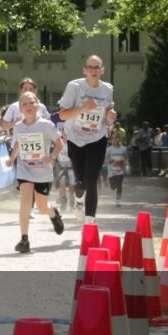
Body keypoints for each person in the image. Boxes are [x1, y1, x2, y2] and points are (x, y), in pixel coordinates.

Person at [58, 55, 117, 224]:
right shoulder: (74, 86)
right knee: (80, 183)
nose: (93, 70)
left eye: (97, 67)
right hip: (76, 139)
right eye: (90, 67)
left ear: (102, 70)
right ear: (84, 70)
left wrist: (110, 115)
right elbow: (62, 114)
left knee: (91, 179)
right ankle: (78, 200)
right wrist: (83, 107)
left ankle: (89, 223)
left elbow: (108, 114)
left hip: (97, 138)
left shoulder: (108, 89)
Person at [7, 91, 65, 253]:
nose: (28, 106)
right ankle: (24, 239)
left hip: (42, 172)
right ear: (20, 108)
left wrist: (52, 157)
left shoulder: (46, 125)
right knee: (25, 203)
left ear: (37, 105)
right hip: (24, 170)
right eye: (24, 104)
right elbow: (18, 143)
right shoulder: (18, 126)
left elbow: (59, 144)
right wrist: (12, 158)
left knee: (41, 207)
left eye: (31, 103)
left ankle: (53, 213)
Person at [105, 133, 128, 205]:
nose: (114, 140)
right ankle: (113, 187)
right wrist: (109, 161)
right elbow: (106, 159)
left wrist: (126, 164)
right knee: (113, 187)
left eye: (115, 138)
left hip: (120, 170)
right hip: (111, 171)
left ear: (118, 139)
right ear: (111, 140)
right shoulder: (108, 149)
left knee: (119, 185)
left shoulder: (123, 149)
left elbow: (126, 158)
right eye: (112, 138)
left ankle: (118, 200)